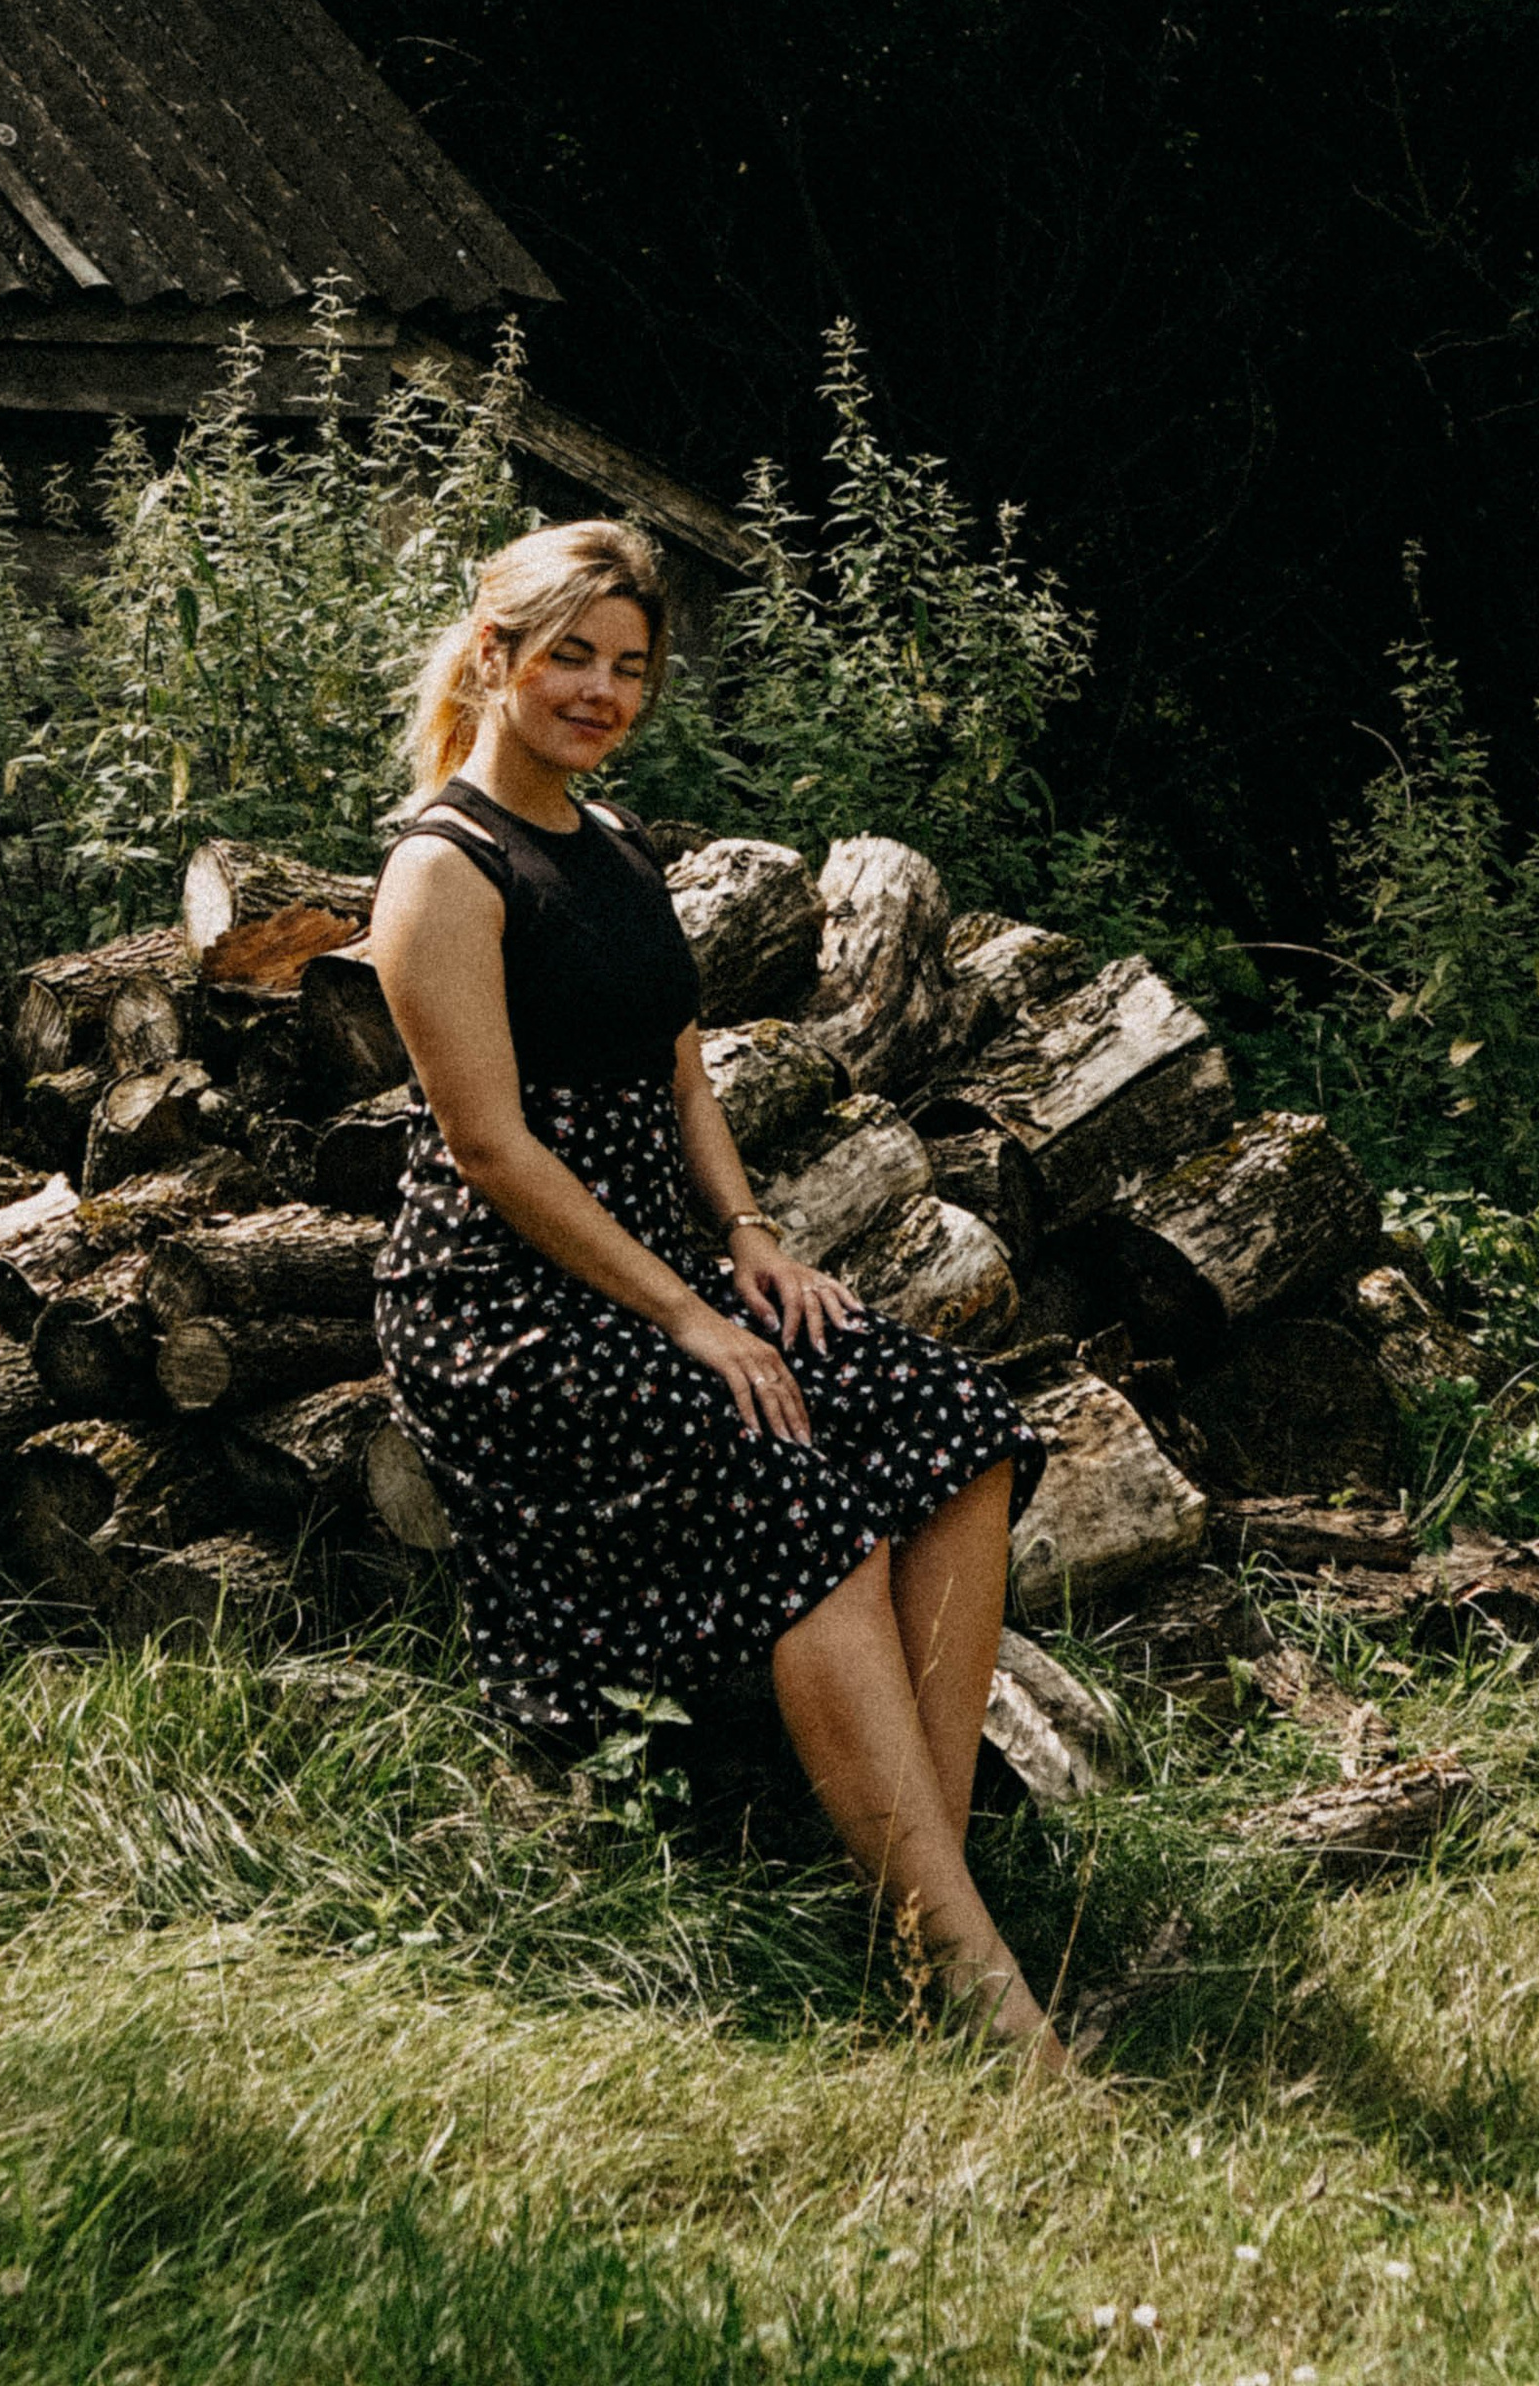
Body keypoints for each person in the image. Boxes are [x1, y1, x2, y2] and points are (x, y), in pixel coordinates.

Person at [369, 516, 1062, 2057]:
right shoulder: (443, 869)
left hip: (656, 1267)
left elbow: (676, 1056)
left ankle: (927, 1906)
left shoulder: (611, 847)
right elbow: (488, 1148)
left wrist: (742, 1233)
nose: (602, 691)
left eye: (629, 667)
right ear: (495, 659)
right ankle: (978, 1991)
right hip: (506, 1310)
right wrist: (687, 1316)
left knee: (960, 1424)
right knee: (783, 1472)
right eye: (570, 658)